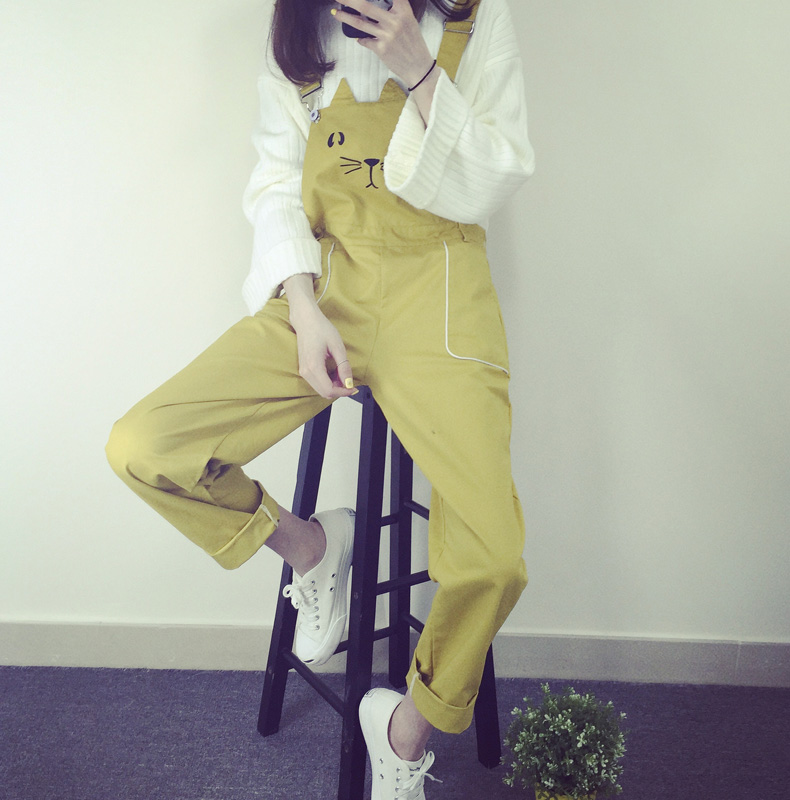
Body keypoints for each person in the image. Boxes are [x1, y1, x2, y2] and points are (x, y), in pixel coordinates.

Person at [106, 0, 535, 796]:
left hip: (441, 291)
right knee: (145, 447)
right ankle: (311, 549)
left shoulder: (473, 18)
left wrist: (417, 68)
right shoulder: (299, 32)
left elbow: (494, 179)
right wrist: (301, 309)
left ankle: (402, 733)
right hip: (325, 291)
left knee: (495, 558)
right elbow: (276, 181)